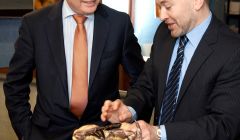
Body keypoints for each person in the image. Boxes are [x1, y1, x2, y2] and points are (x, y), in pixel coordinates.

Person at [3, 0, 145, 139]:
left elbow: (142, 80)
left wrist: (129, 113)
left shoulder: (119, 23)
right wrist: (27, 133)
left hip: (105, 132)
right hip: (47, 133)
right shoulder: (35, 24)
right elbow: (15, 85)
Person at [101, 0, 240, 139]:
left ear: (197, 2)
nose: (162, 16)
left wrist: (160, 133)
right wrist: (128, 110)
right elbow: (147, 85)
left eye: (167, 6)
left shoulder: (233, 50)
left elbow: (224, 125)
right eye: (159, 7)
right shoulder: (163, 33)